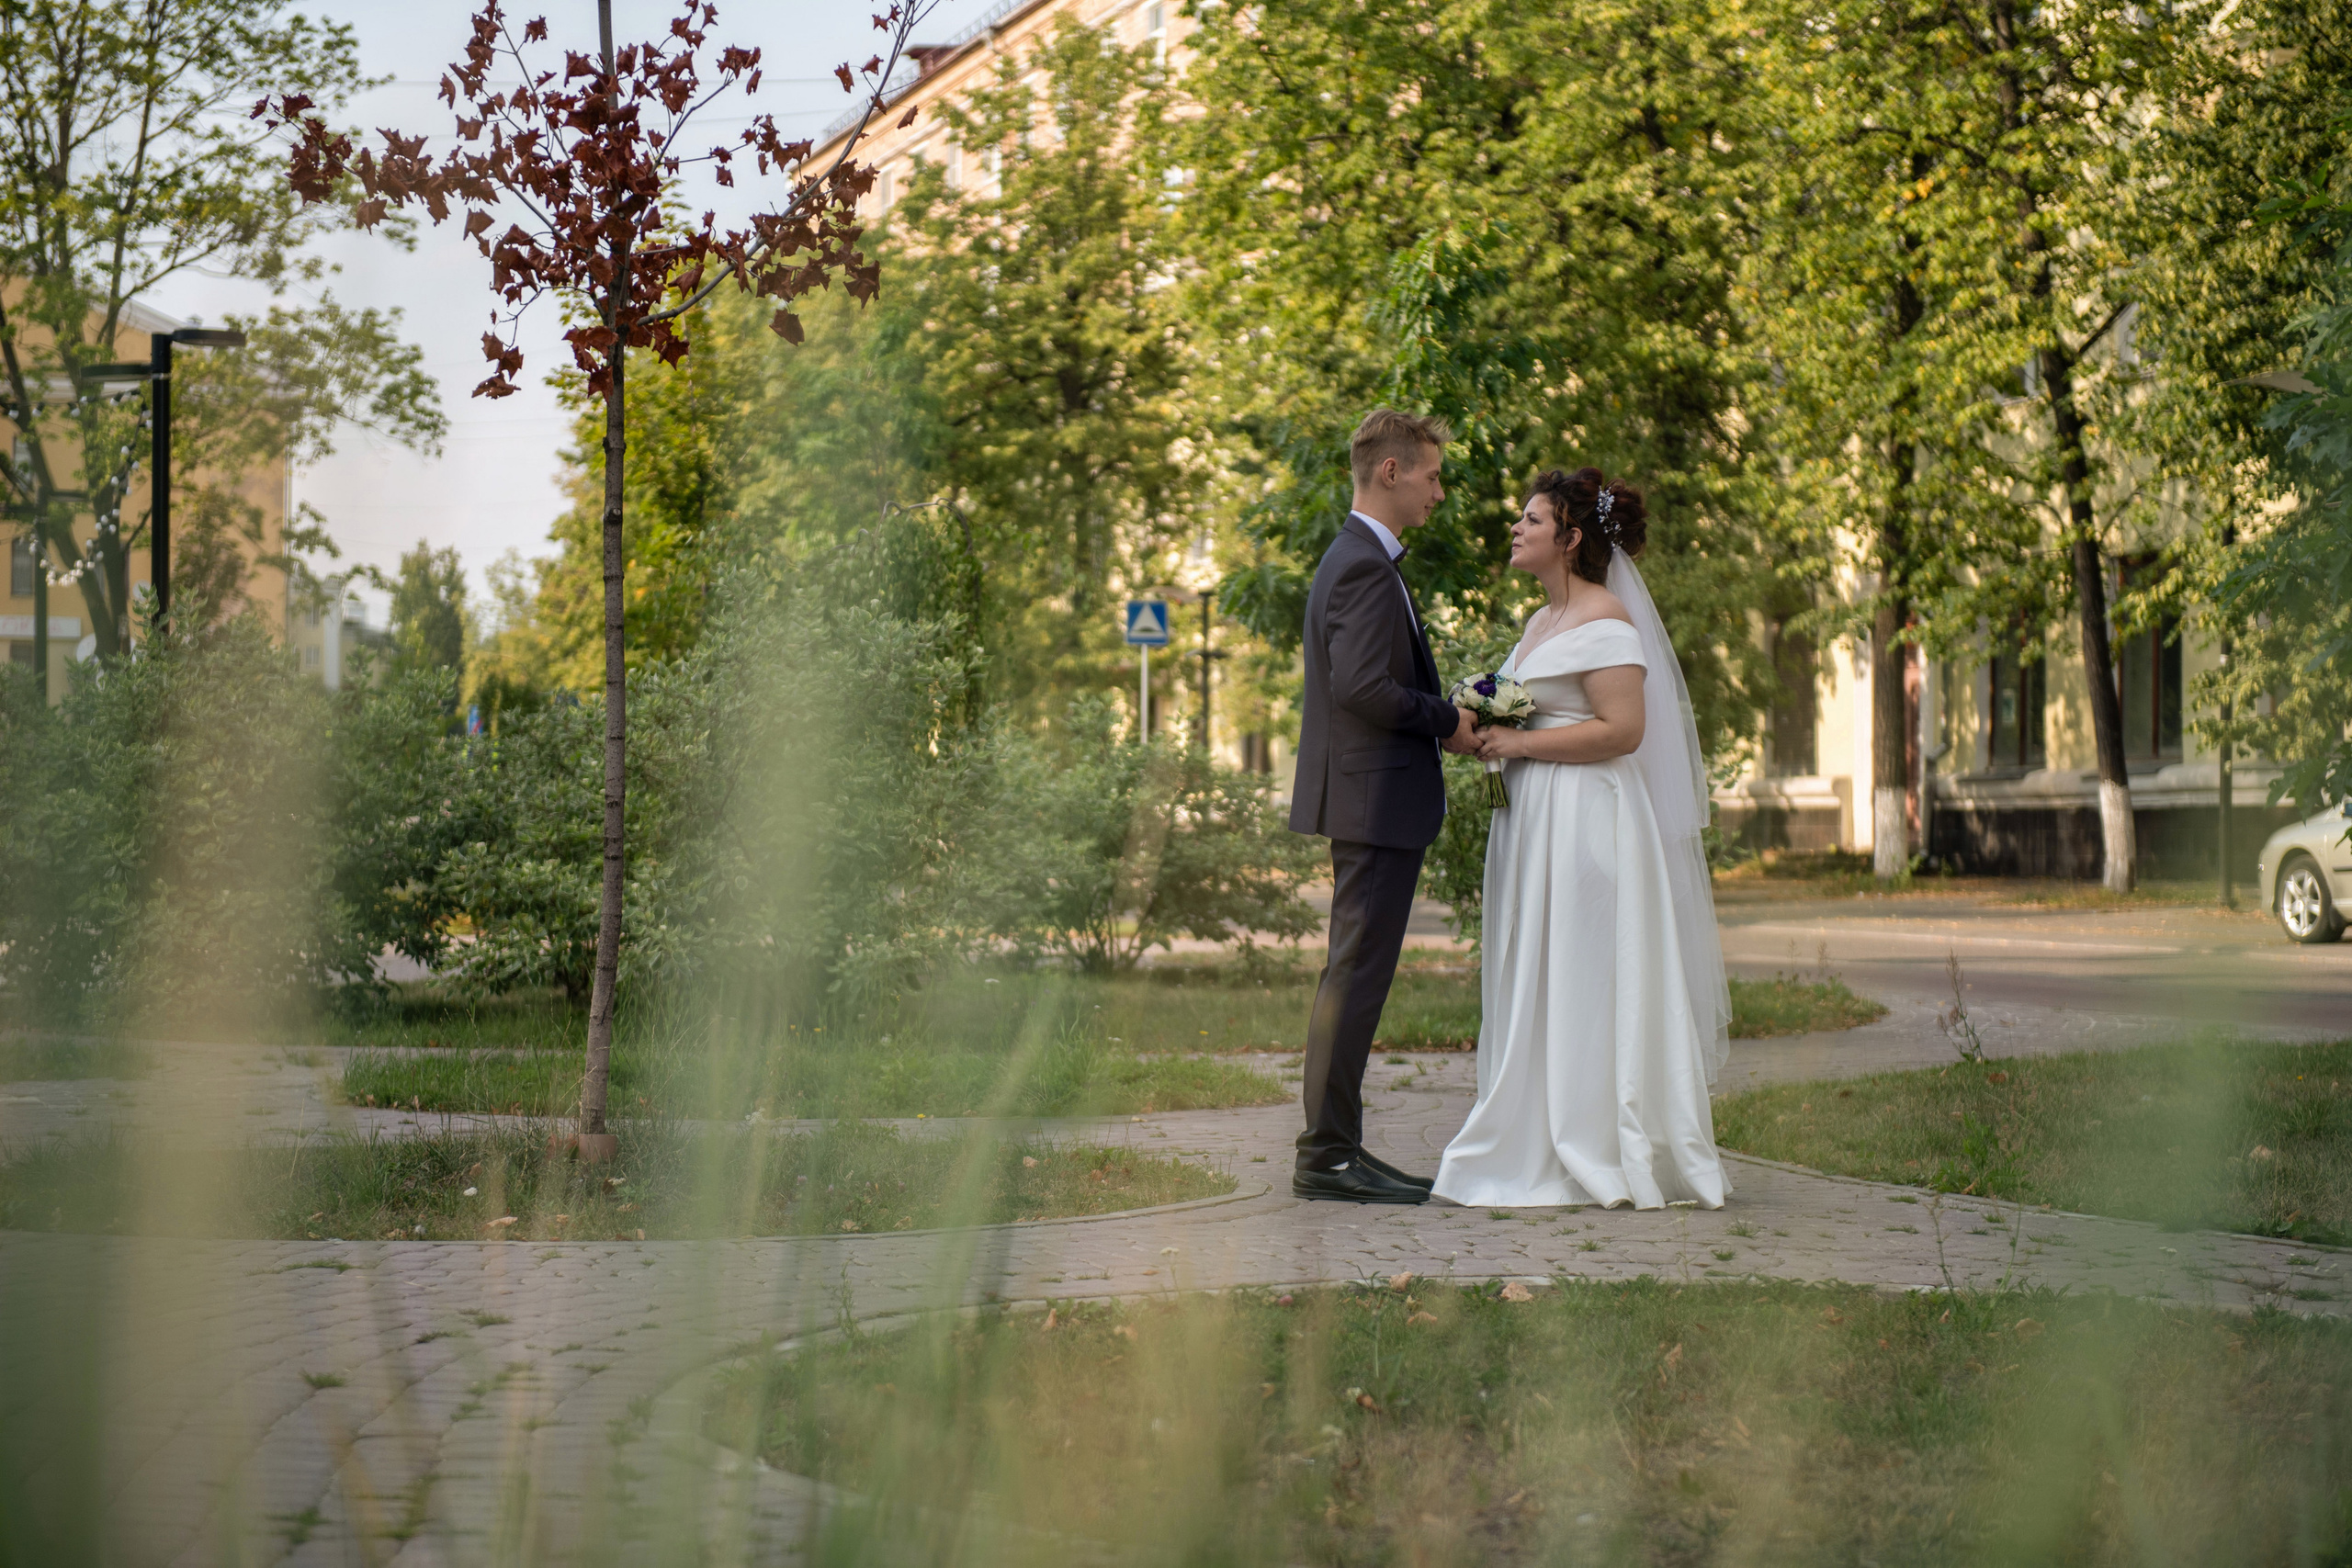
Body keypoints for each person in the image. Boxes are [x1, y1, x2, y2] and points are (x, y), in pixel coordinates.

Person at [1432, 467, 1732, 1210]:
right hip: (1534, 824)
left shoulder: (1608, 621)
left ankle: (1594, 1137)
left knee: (1584, 970)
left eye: (1531, 519)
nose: (1517, 528)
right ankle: (1533, 1126)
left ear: (1569, 539)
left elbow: (1624, 731)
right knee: (1537, 967)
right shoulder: (1540, 624)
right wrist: (1472, 732)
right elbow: (1530, 714)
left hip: (1588, 825)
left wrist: (1523, 746)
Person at [1287, 408, 1482, 1204]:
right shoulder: (1364, 565)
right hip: (1373, 804)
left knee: (1353, 978)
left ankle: (1335, 1149)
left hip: (1369, 802)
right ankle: (1328, 1156)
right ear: (1392, 472)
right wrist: (1449, 721)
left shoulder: (1361, 558)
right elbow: (1362, 688)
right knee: (1354, 980)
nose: (1440, 491)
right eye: (1432, 476)